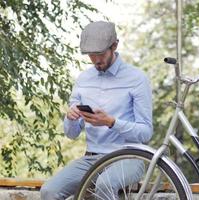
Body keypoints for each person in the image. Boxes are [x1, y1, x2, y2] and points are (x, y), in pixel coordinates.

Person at [40, 21, 153, 200]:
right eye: (90, 55)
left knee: (104, 185)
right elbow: (71, 134)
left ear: (114, 46)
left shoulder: (137, 78)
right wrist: (70, 117)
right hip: (92, 158)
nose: (95, 60)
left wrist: (111, 122)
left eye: (99, 54)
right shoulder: (83, 80)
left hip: (129, 157)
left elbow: (146, 133)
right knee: (49, 191)